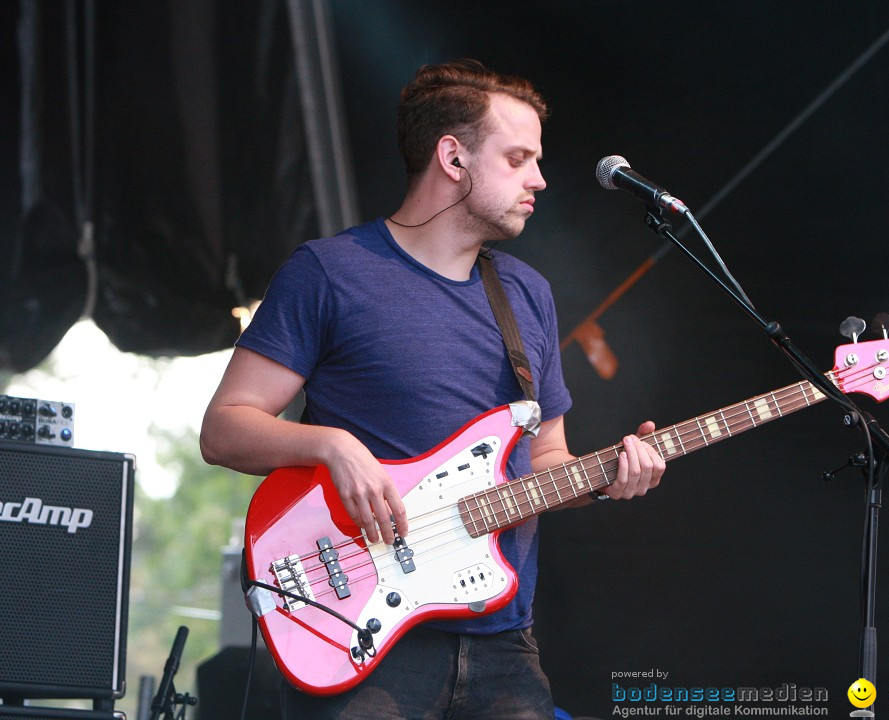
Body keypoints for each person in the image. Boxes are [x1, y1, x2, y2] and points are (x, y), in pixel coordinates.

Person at [200, 59, 666, 720]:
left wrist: (610, 475)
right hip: (362, 634)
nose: (538, 179)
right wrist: (332, 445)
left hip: (503, 642)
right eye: (517, 158)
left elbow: (546, 464)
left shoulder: (526, 295)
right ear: (453, 157)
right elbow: (224, 428)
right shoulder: (330, 273)